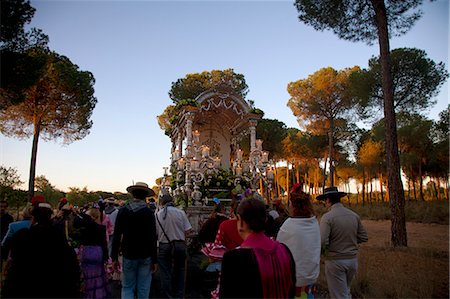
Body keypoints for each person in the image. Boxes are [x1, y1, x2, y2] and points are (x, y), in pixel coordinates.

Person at [219, 197, 296, 298]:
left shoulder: (233, 259)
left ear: (240, 221)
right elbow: (291, 289)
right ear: (265, 220)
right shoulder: (284, 250)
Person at [2, 202, 80, 298]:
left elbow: (13, 258)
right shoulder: (58, 237)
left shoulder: (22, 236)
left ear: (33, 217)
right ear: (50, 216)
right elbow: (71, 265)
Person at [317, 186, 369, 299]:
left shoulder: (327, 218)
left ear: (328, 200)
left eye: (325, 200)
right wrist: (350, 241)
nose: (325, 203)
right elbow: (364, 237)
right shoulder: (353, 215)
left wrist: (325, 254)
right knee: (346, 291)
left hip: (335, 261)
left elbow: (322, 242)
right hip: (352, 260)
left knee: (338, 295)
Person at [111, 182, 158, 299]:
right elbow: (153, 237)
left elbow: (116, 235)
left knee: (127, 287)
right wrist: (154, 259)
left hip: (128, 253)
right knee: (143, 287)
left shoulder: (123, 211)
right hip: (145, 254)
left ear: (132, 194)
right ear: (145, 196)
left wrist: (114, 257)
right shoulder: (148, 213)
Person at [277, 184, 321, 299]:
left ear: (294, 207)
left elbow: (279, 249)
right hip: (310, 275)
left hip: (293, 279)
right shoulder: (314, 223)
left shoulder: (289, 225)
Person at [156, 193, 192, 298]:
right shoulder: (180, 213)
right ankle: (179, 295)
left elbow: (156, 233)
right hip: (179, 245)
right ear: (172, 201)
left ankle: (168, 295)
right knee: (180, 271)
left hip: (164, 246)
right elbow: (188, 231)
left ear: (162, 203)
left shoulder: (158, 215)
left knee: (165, 272)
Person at [74, 207, 109, 298]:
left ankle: (88, 294)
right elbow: (104, 243)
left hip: (86, 251)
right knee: (98, 276)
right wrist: (106, 258)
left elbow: (77, 221)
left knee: (86, 275)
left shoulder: (84, 228)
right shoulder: (101, 228)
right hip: (98, 251)